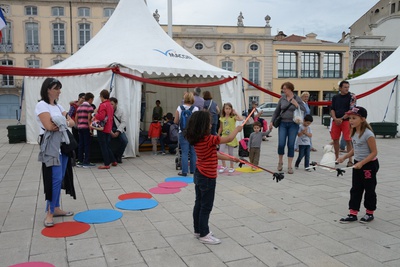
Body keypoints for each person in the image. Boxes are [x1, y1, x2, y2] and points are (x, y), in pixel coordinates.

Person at [185, 110, 243, 244]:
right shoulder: (210, 138)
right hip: (208, 177)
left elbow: (214, 154)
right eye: (209, 123)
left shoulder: (197, 139)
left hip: (199, 174)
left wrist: (231, 159)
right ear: (203, 125)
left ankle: (198, 230)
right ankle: (204, 234)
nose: (211, 125)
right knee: (206, 206)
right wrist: (237, 129)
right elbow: (228, 139)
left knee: (199, 203)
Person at [35, 78, 76, 227]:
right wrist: (63, 122)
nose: (59, 91)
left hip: (63, 145)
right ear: (48, 90)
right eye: (56, 88)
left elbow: (72, 122)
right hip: (51, 147)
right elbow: (49, 126)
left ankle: (55, 208)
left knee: (60, 177)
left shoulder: (58, 106)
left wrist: (60, 122)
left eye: (59, 88)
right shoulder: (41, 105)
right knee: (55, 179)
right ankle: (50, 213)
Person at [337, 106, 379, 224]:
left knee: (369, 189)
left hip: (369, 165)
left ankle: (369, 212)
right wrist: (344, 157)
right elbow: (355, 149)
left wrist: (362, 163)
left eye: (354, 118)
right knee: (356, 188)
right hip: (358, 164)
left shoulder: (368, 134)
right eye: (350, 118)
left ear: (363, 119)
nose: (351, 120)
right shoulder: (354, 132)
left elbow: (374, 152)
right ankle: (353, 213)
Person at [270, 82, 306, 174]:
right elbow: (277, 111)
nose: (283, 90)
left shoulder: (297, 98)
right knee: (281, 144)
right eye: (283, 89)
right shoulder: (282, 98)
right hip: (282, 123)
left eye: (285, 88)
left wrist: (296, 104)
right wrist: (271, 121)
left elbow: (304, 110)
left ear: (290, 89)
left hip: (293, 124)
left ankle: (289, 166)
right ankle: (280, 162)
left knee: (290, 144)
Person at [330, 81, 356, 167]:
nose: (347, 89)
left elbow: (352, 109)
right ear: (340, 88)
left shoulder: (352, 96)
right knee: (335, 140)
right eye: (345, 87)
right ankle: (337, 157)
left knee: (348, 140)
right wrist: (335, 118)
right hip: (336, 121)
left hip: (346, 121)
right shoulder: (335, 97)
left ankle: (350, 160)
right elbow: (332, 109)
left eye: (348, 87)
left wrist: (342, 118)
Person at [174, 92, 199, 176]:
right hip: (193, 133)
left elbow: (176, 121)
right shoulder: (195, 109)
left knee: (184, 152)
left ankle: (184, 171)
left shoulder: (179, 108)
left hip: (183, 132)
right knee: (193, 152)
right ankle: (193, 170)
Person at [94, 89, 117, 169]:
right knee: (107, 145)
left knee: (103, 146)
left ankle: (107, 163)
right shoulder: (110, 105)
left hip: (102, 128)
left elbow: (101, 117)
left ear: (102, 96)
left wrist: (95, 113)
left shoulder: (103, 105)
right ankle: (113, 160)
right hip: (108, 127)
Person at [218, 102, 243, 173]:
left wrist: (236, 112)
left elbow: (241, 119)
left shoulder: (233, 117)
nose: (228, 110)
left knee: (230, 153)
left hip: (231, 136)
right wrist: (218, 135)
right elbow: (220, 128)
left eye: (229, 108)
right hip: (224, 136)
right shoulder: (222, 118)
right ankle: (224, 165)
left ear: (231, 109)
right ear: (224, 109)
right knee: (221, 151)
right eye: (226, 108)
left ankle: (231, 166)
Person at [75, 92, 95, 168]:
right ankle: (86, 161)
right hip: (86, 128)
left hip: (80, 127)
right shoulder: (89, 107)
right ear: (90, 99)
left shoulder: (79, 107)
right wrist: (91, 129)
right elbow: (89, 118)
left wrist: (77, 125)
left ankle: (80, 161)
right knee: (87, 145)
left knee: (81, 144)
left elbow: (76, 117)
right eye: (92, 100)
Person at [110, 97, 128, 163]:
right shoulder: (107, 110)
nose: (111, 106)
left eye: (112, 104)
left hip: (119, 129)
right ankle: (110, 157)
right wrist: (110, 132)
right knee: (107, 142)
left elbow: (123, 122)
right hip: (109, 130)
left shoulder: (121, 111)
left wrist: (118, 131)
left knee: (125, 141)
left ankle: (119, 155)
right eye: (109, 104)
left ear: (116, 103)